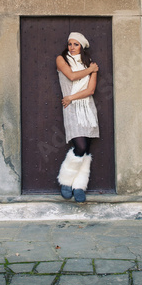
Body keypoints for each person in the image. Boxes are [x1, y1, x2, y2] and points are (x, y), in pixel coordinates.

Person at [56, 32, 99, 203]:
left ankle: (79, 186)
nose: (72, 48)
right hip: (72, 109)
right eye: (70, 44)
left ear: (82, 46)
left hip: (86, 108)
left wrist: (70, 97)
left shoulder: (90, 64)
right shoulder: (61, 60)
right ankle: (66, 181)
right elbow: (72, 76)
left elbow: (90, 91)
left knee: (86, 149)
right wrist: (90, 70)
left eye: (76, 44)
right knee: (79, 146)